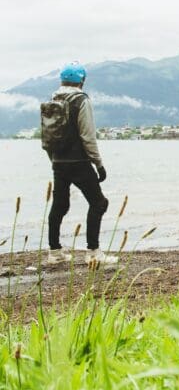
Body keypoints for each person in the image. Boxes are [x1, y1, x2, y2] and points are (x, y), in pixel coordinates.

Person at [45, 62, 108, 258]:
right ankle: (93, 252)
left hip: (58, 162)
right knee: (99, 203)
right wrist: (98, 164)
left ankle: (54, 251)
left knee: (60, 205)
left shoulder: (52, 100)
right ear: (82, 81)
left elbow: (47, 137)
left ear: (62, 80)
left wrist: (54, 160)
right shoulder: (81, 101)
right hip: (79, 162)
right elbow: (88, 136)